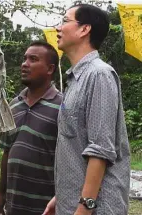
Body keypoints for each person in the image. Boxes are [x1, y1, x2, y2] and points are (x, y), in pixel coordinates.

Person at [43, 4, 130, 215]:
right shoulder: (76, 79)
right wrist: (62, 197)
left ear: (84, 29)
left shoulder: (99, 75)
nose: (58, 28)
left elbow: (100, 150)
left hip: (97, 209)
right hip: (74, 203)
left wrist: (84, 207)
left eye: (65, 21)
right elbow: (76, 146)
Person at [0, 41, 62, 215]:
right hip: (14, 206)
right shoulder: (13, 106)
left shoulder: (63, 106)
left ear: (50, 69)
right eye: (24, 59)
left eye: (33, 59)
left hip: (47, 207)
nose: (25, 64)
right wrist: (0, 194)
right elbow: (7, 152)